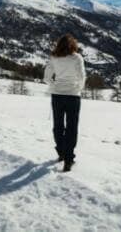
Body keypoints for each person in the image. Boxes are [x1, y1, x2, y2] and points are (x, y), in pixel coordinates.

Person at [43, 34, 86, 172]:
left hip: (57, 95)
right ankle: (69, 159)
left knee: (58, 125)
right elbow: (81, 77)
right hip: (73, 96)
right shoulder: (77, 58)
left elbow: (46, 77)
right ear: (73, 44)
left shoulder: (54, 58)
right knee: (72, 127)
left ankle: (61, 151)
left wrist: (54, 85)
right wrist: (78, 89)